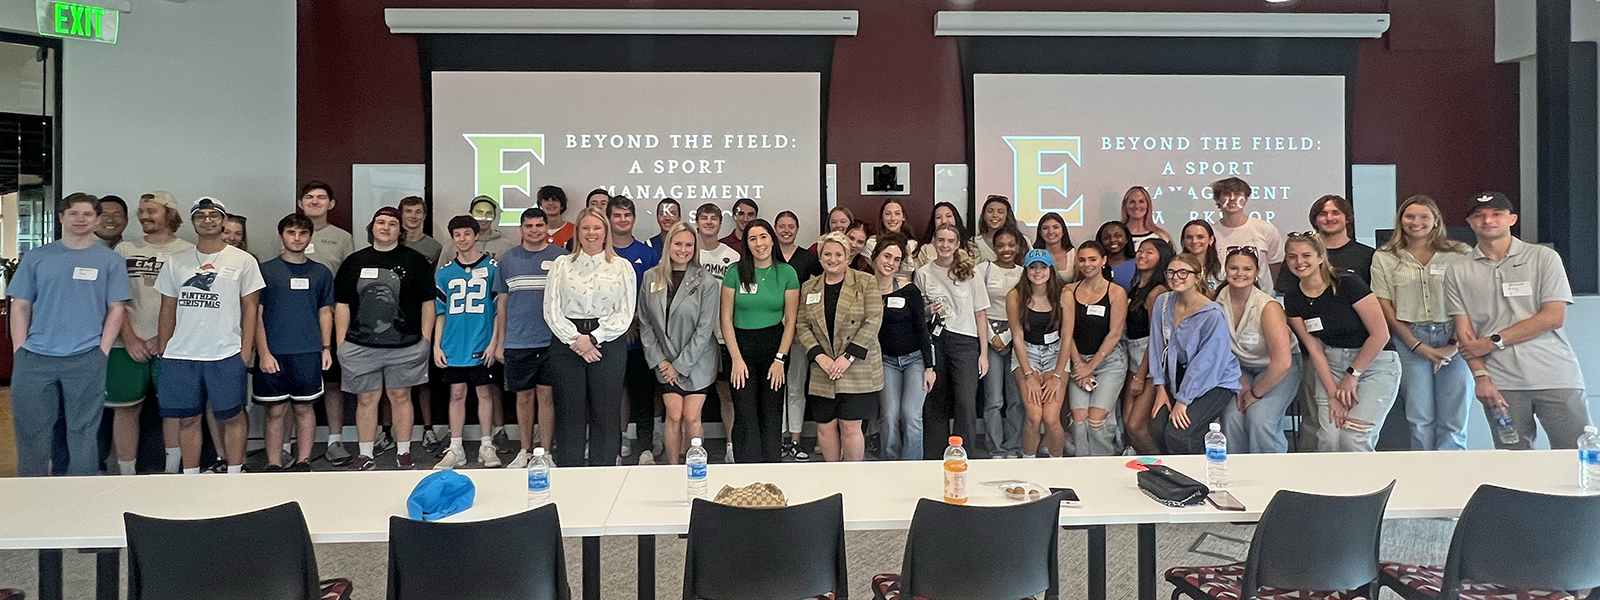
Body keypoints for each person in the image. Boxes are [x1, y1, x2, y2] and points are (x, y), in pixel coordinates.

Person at [1446, 191, 1590, 449]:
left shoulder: (1543, 258)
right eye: (1479, 216)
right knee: (1513, 460)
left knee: (1576, 453)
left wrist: (1493, 341)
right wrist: (1481, 378)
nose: (1488, 220)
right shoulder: (1458, 270)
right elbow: (1465, 333)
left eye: (1496, 214)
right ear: (1469, 223)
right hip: (1501, 383)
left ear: (1512, 219)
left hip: (1555, 376)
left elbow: (1553, 317)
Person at [9, 193, 129, 476]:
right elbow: (20, 306)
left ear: (97, 220)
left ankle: (81, 495)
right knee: (31, 431)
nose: (80, 219)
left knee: (84, 432)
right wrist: (20, 350)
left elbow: (116, 309)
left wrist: (103, 350)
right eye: (73, 213)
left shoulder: (109, 261)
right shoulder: (38, 257)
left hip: (86, 358)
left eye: (87, 214)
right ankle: (30, 490)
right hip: (35, 359)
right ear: (61, 217)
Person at [156, 197, 264, 474]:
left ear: (223, 220)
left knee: (233, 415)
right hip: (181, 354)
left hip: (225, 352)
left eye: (213, 215)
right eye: (200, 216)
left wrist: (245, 350)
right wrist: (165, 347)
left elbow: (250, 307)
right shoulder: (176, 262)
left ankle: (235, 473)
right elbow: (168, 307)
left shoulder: (243, 260)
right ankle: (191, 475)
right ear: (192, 223)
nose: (207, 220)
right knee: (188, 419)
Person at [334, 207, 435, 470]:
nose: (386, 227)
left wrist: (425, 339)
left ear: (400, 230)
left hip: (406, 345)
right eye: (381, 222)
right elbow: (342, 304)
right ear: (372, 227)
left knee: (401, 397)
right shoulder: (354, 262)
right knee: (366, 400)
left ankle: (404, 451)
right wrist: (341, 343)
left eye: (392, 223)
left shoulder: (416, 261)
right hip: (359, 345)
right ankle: (365, 454)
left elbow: (428, 303)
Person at [1373, 195, 1473, 451]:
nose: (1416, 222)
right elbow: (1384, 305)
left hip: (1457, 339)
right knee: (1419, 419)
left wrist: (1453, 344)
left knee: (1454, 419)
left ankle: (1451, 481)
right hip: (1409, 339)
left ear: (1436, 220)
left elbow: (1474, 298)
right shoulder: (1385, 256)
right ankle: (1424, 479)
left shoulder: (1460, 253)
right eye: (1410, 216)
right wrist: (1416, 345)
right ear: (1400, 220)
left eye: (1423, 217)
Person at [1284, 232, 1400, 453]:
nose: (1299, 262)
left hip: (1374, 363)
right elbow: (1314, 348)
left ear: (1320, 256)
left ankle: (1365, 487)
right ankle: (1333, 488)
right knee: (1329, 439)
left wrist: (1352, 375)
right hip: (1331, 365)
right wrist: (1332, 394)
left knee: (1353, 439)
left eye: (1306, 255)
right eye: (1292, 257)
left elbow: (1380, 334)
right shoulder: (1293, 298)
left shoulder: (1348, 283)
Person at [544, 207, 637, 467]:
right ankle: (570, 472)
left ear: (605, 231)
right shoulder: (562, 264)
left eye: (597, 228)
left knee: (606, 414)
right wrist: (577, 340)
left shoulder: (621, 266)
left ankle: (604, 471)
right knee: (569, 412)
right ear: (578, 232)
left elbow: (626, 312)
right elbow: (551, 308)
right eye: (585, 228)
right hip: (567, 343)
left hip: (607, 341)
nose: (591, 233)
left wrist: (593, 338)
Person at [275, 181, 357, 466]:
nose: (315, 201)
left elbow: (349, 281)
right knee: (285, 392)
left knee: (333, 384)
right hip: (289, 323)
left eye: (322, 197)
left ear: (331, 204)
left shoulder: (342, 237)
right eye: (309, 197)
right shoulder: (288, 231)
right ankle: (284, 446)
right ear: (300, 202)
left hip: (328, 319)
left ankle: (335, 441)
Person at [111, 191, 193, 475]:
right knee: (126, 409)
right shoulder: (124, 249)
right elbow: (115, 300)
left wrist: (164, 337)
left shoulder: (187, 251)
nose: (144, 216)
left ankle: (171, 473)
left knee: (173, 410)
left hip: (172, 346)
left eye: (151, 211)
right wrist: (130, 337)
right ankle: (127, 474)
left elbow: (188, 302)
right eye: (141, 211)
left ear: (169, 214)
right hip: (126, 345)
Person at [253, 213, 334, 471]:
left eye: (302, 233)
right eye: (291, 233)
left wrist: (326, 348)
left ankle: (303, 461)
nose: (296, 238)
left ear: (310, 237)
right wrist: (264, 353)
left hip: (308, 352)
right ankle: (274, 463)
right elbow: (257, 314)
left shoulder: (321, 272)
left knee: (303, 408)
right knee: (275, 411)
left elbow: (325, 312)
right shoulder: (265, 271)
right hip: (274, 353)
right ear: (282, 236)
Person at [638, 222, 720, 465]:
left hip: (697, 361)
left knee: (692, 416)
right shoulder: (651, 277)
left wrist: (680, 365)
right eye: (678, 244)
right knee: (673, 415)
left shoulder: (706, 281)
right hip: (664, 360)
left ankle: (696, 468)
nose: (683, 249)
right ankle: (673, 469)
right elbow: (645, 323)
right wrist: (661, 361)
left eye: (688, 245)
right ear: (668, 245)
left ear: (695, 248)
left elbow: (704, 330)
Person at [798, 231, 883, 462]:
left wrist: (848, 357)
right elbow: (802, 325)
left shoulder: (866, 281)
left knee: (850, 426)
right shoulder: (809, 287)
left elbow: (873, 320)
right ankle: (833, 476)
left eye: (838, 254)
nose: (832, 259)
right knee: (825, 427)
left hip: (857, 367)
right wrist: (820, 357)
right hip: (823, 367)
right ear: (820, 256)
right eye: (827, 254)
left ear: (847, 257)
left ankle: (852, 479)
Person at [492, 208, 567, 468]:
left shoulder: (562, 258)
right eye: (529, 226)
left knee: (547, 397)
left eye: (539, 225)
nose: (534, 230)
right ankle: (525, 451)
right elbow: (502, 303)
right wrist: (500, 341)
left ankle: (545, 452)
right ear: (521, 229)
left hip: (552, 341)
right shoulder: (508, 259)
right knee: (523, 398)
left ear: (547, 228)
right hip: (517, 342)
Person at [721, 219, 800, 463]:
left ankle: (770, 468)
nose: (759, 243)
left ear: (772, 239)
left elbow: (791, 321)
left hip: (774, 349)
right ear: (746, 243)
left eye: (763, 237)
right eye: (752, 238)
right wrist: (736, 358)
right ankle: (747, 469)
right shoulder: (735, 272)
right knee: (745, 413)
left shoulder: (787, 272)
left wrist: (780, 359)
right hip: (740, 349)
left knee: (771, 412)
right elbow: (725, 318)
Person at [429, 215, 505, 470]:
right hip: (453, 343)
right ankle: (456, 447)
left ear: (476, 236)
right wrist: (437, 345)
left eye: (466, 234)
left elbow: (497, 311)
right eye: (457, 235)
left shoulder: (493, 268)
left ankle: (486, 444)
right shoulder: (445, 273)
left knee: (484, 392)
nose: (462, 239)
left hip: (481, 342)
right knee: (457, 393)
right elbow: (440, 313)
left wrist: (494, 343)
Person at [1148, 253, 1241, 454]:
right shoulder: (1162, 303)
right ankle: (1174, 476)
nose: (1176, 277)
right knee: (1156, 428)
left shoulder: (1212, 314)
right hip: (1177, 378)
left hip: (1214, 382)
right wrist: (1160, 387)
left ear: (1196, 277)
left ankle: (1196, 479)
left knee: (1179, 433)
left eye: (1183, 272)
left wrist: (1183, 400)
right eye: (1171, 272)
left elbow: (1207, 363)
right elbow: (1156, 346)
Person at [1218, 247, 1303, 454]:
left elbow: (1282, 362)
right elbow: (1220, 352)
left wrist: (1255, 393)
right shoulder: (1216, 302)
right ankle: (1238, 476)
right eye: (1233, 268)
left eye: (1247, 269)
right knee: (1231, 418)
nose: (1240, 273)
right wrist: (1242, 384)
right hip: (1240, 369)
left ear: (1257, 273)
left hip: (1278, 368)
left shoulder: (1268, 306)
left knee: (1260, 419)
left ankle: (1271, 477)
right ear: (1225, 270)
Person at [916, 223, 989, 459]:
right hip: (936, 340)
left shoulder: (972, 272)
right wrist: (928, 310)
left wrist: (984, 353)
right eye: (940, 240)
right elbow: (919, 314)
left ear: (957, 245)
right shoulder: (923, 273)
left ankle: (963, 453)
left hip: (966, 341)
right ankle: (935, 455)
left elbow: (980, 313)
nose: (945, 245)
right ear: (933, 243)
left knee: (966, 401)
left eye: (950, 241)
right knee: (935, 400)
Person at [1062, 241, 1128, 456]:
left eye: (1092, 259)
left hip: (1109, 362)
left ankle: (1104, 464)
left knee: (1096, 421)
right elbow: (1067, 332)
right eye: (1082, 259)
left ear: (1103, 261)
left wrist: (1091, 366)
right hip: (1078, 361)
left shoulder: (1115, 292)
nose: (1087, 264)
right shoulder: (1069, 290)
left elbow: (1115, 333)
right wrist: (1080, 364)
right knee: (1079, 420)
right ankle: (1082, 467)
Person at [609, 196, 662, 464]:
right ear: (609, 218)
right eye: (617, 215)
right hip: (607, 339)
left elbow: (653, 295)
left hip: (641, 339)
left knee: (643, 395)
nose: (622, 220)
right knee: (612, 396)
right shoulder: (602, 253)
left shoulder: (648, 253)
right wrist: (620, 324)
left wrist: (636, 321)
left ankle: (645, 449)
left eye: (626, 215)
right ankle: (615, 449)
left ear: (633, 219)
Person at [874, 234, 934, 460]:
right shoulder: (864, 288)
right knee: (889, 416)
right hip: (884, 361)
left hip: (914, 360)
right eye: (887, 256)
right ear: (875, 256)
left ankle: (912, 467)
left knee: (911, 415)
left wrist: (930, 367)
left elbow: (921, 328)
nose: (890, 262)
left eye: (896, 259)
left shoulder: (909, 290)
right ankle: (890, 465)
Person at [1008, 249, 1068, 458]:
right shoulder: (1015, 295)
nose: (1038, 271)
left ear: (1050, 269)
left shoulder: (1064, 294)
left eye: (1043, 267)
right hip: (1027, 352)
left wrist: (1058, 376)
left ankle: (1056, 465)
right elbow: (1017, 336)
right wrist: (1028, 375)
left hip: (1056, 353)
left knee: (1051, 418)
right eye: (1033, 267)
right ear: (1026, 270)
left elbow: (1067, 338)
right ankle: (1029, 463)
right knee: (1034, 415)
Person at [694, 203, 741, 460]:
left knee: (727, 394)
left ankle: (731, 446)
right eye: (704, 218)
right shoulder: (689, 252)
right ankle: (692, 447)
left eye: (714, 218)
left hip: (724, 334)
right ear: (697, 222)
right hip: (693, 336)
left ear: (721, 224)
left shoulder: (732, 256)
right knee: (694, 395)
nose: (709, 222)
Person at [775, 210, 821, 460]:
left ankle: (795, 439)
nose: (786, 230)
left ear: (797, 229)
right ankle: (778, 437)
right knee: (776, 388)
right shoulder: (767, 256)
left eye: (790, 226)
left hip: (800, 332)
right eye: (781, 226)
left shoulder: (807, 258)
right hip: (771, 331)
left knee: (795, 386)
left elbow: (818, 290)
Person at [1120, 238, 1173, 455]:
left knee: (1136, 426)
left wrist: (1141, 375)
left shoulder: (1157, 292)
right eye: (1140, 251)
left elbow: (1156, 337)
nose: (1142, 255)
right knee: (1127, 422)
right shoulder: (1135, 286)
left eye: (1150, 252)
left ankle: (1166, 469)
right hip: (1132, 353)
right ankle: (1147, 469)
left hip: (1149, 360)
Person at [978, 227, 1025, 459]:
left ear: (1017, 247)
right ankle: (995, 447)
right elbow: (977, 306)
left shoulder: (1025, 273)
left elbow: (1027, 308)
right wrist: (992, 337)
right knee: (994, 399)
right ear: (994, 247)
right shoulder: (983, 270)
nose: (1005, 250)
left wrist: (1008, 337)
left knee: (1016, 399)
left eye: (1010, 245)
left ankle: (1013, 447)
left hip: (1016, 335)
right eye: (1000, 245)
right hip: (989, 334)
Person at [1276, 194, 1375, 294]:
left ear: (1347, 218)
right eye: (1323, 214)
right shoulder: (1298, 256)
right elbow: (1286, 292)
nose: (1329, 218)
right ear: (1314, 220)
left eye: (1335, 213)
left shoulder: (1368, 255)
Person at [1208, 177, 1283, 292]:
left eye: (1238, 194)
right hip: (1219, 300)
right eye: (1227, 194)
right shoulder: (1209, 233)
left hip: (1261, 300)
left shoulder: (1266, 229)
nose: (1232, 198)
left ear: (1246, 198)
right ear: (1218, 199)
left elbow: (1276, 267)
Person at [438, 195, 516, 267]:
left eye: (489, 213)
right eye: (479, 212)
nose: (484, 217)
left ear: (495, 216)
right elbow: (440, 274)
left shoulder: (505, 246)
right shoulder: (452, 244)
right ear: (471, 213)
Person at [865, 199, 918, 269]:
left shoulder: (912, 244)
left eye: (897, 213)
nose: (892, 218)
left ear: (903, 217)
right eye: (888, 214)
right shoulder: (872, 243)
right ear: (882, 218)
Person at [912, 202, 964, 269]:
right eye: (938, 217)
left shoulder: (970, 247)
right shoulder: (925, 249)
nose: (944, 221)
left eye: (948, 216)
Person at [975, 195, 1025, 262]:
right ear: (983, 215)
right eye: (990, 211)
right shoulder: (975, 243)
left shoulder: (1023, 241)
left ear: (1007, 216)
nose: (995, 215)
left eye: (1000, 212)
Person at [1180, 219, 1224, 294]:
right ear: (1183, 240)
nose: (1194, 241)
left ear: (1211, 240)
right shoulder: (1177, 268)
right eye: (1189, 237)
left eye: (1200, 237)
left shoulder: (1221, 270)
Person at [398, 195, 443, 265]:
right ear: (401, 214)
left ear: (424, 216)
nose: (413, 216)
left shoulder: (435, 247)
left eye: (418, 212)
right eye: (408, 211)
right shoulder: (390, 243)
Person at [1033, 212, 1077, 283]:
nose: (1050, 232)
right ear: (1040, 232)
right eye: (1045, 228)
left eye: (1056, 227)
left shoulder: (1074, 255)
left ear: (1063, 231)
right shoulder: (1033, 255)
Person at [1097, 221, 1138, 290]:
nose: (1112, 240)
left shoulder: (1137, 263)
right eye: (1106, 237)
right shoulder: (1095, 265)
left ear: (1127, 238)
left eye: (1118, 236)